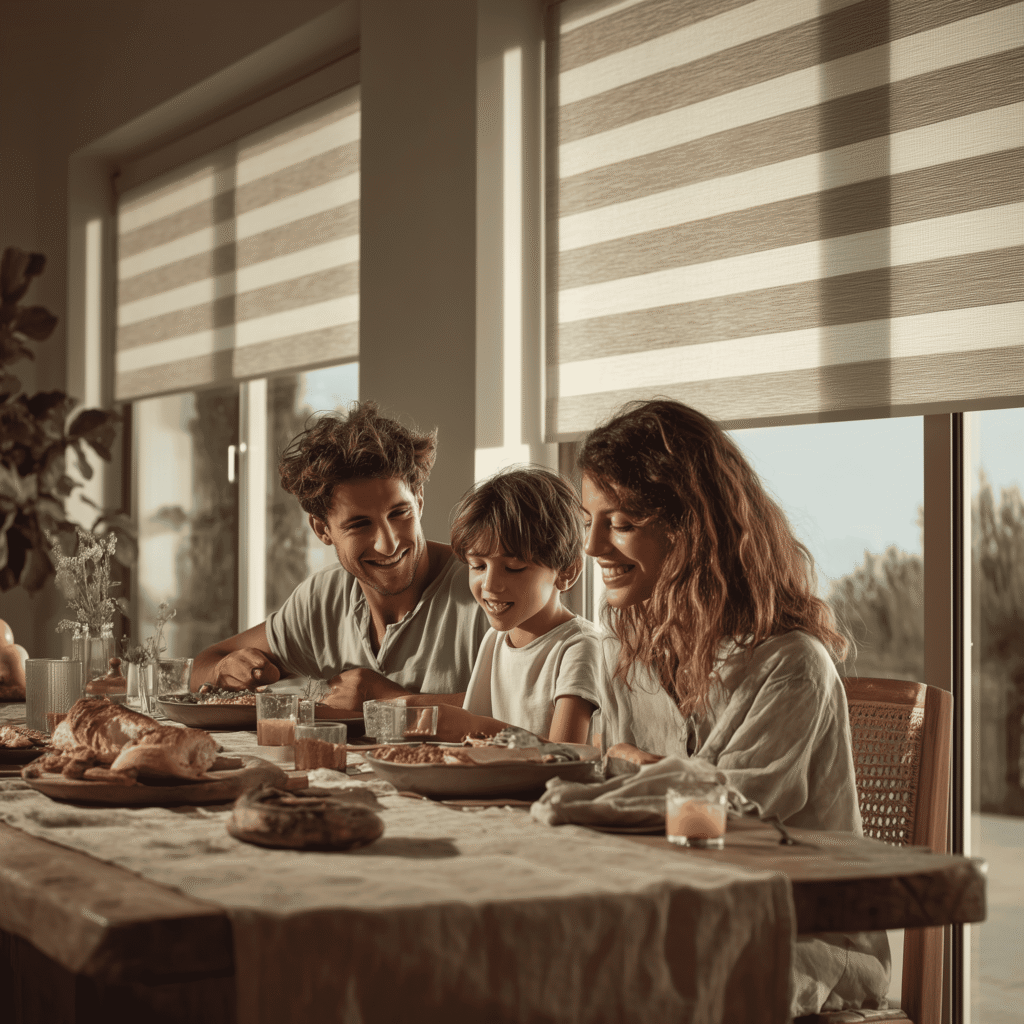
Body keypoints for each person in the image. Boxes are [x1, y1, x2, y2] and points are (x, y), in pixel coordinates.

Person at [576, 398, 890, 1018]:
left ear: (694, 525)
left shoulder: (792, 664)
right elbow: (610, 790)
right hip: (677, 914)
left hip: (801, 938)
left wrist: (632, 773)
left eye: (621, 521)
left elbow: (721, 828)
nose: (591, 546)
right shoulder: (625, 650)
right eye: (589, 519)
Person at [191, 403, 489, 706]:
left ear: (419, 501)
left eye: (400, 513)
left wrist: (393, 703)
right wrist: (223, 670)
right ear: (322, 529)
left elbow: (528, 708)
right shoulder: (323, 599)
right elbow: (202, 664)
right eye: (360, 525)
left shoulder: (484, 587)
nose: (388, 544)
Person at [450, 468, 607, 743]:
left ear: (566, 572)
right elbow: (473, 746)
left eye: (513, 568)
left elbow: (565, 756)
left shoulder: (579, 647)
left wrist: (471, 725)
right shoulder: (495, 640)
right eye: (478, 566)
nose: (490, 584)